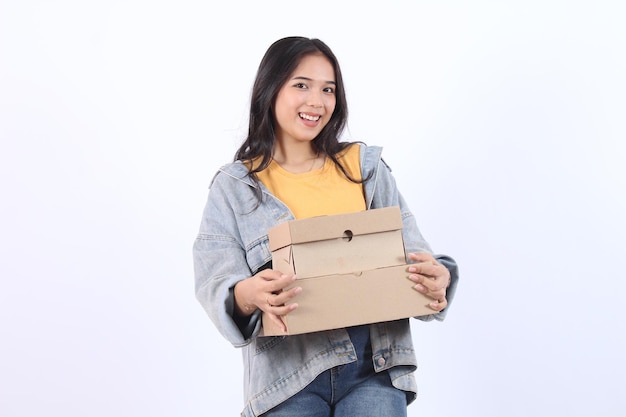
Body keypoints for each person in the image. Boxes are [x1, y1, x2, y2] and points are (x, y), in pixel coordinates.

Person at [193, 36, 459, 417]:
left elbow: (416, 252)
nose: (317, 102)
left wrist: (439, 276)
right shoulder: (235, 187)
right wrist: (248, 293)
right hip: (287, 374)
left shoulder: (365, 169)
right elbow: (213, 281)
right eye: (301, 85)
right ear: (270, 90)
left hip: (375, 365)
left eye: (328, 89)